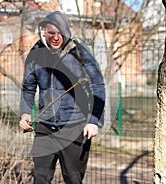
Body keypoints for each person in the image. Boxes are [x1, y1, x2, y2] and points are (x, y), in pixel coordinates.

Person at [19, 11, 105, 184]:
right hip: (45, 128)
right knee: (40, 178)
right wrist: (25, 112)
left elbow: (97, 86)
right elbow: (28, 88)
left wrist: (93, 121)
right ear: (43, 31)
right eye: (52, 32)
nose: (56, 37)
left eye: (61, 33)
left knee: (73, 179)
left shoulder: (79, 53)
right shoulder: (35, 55)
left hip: (74, 127)